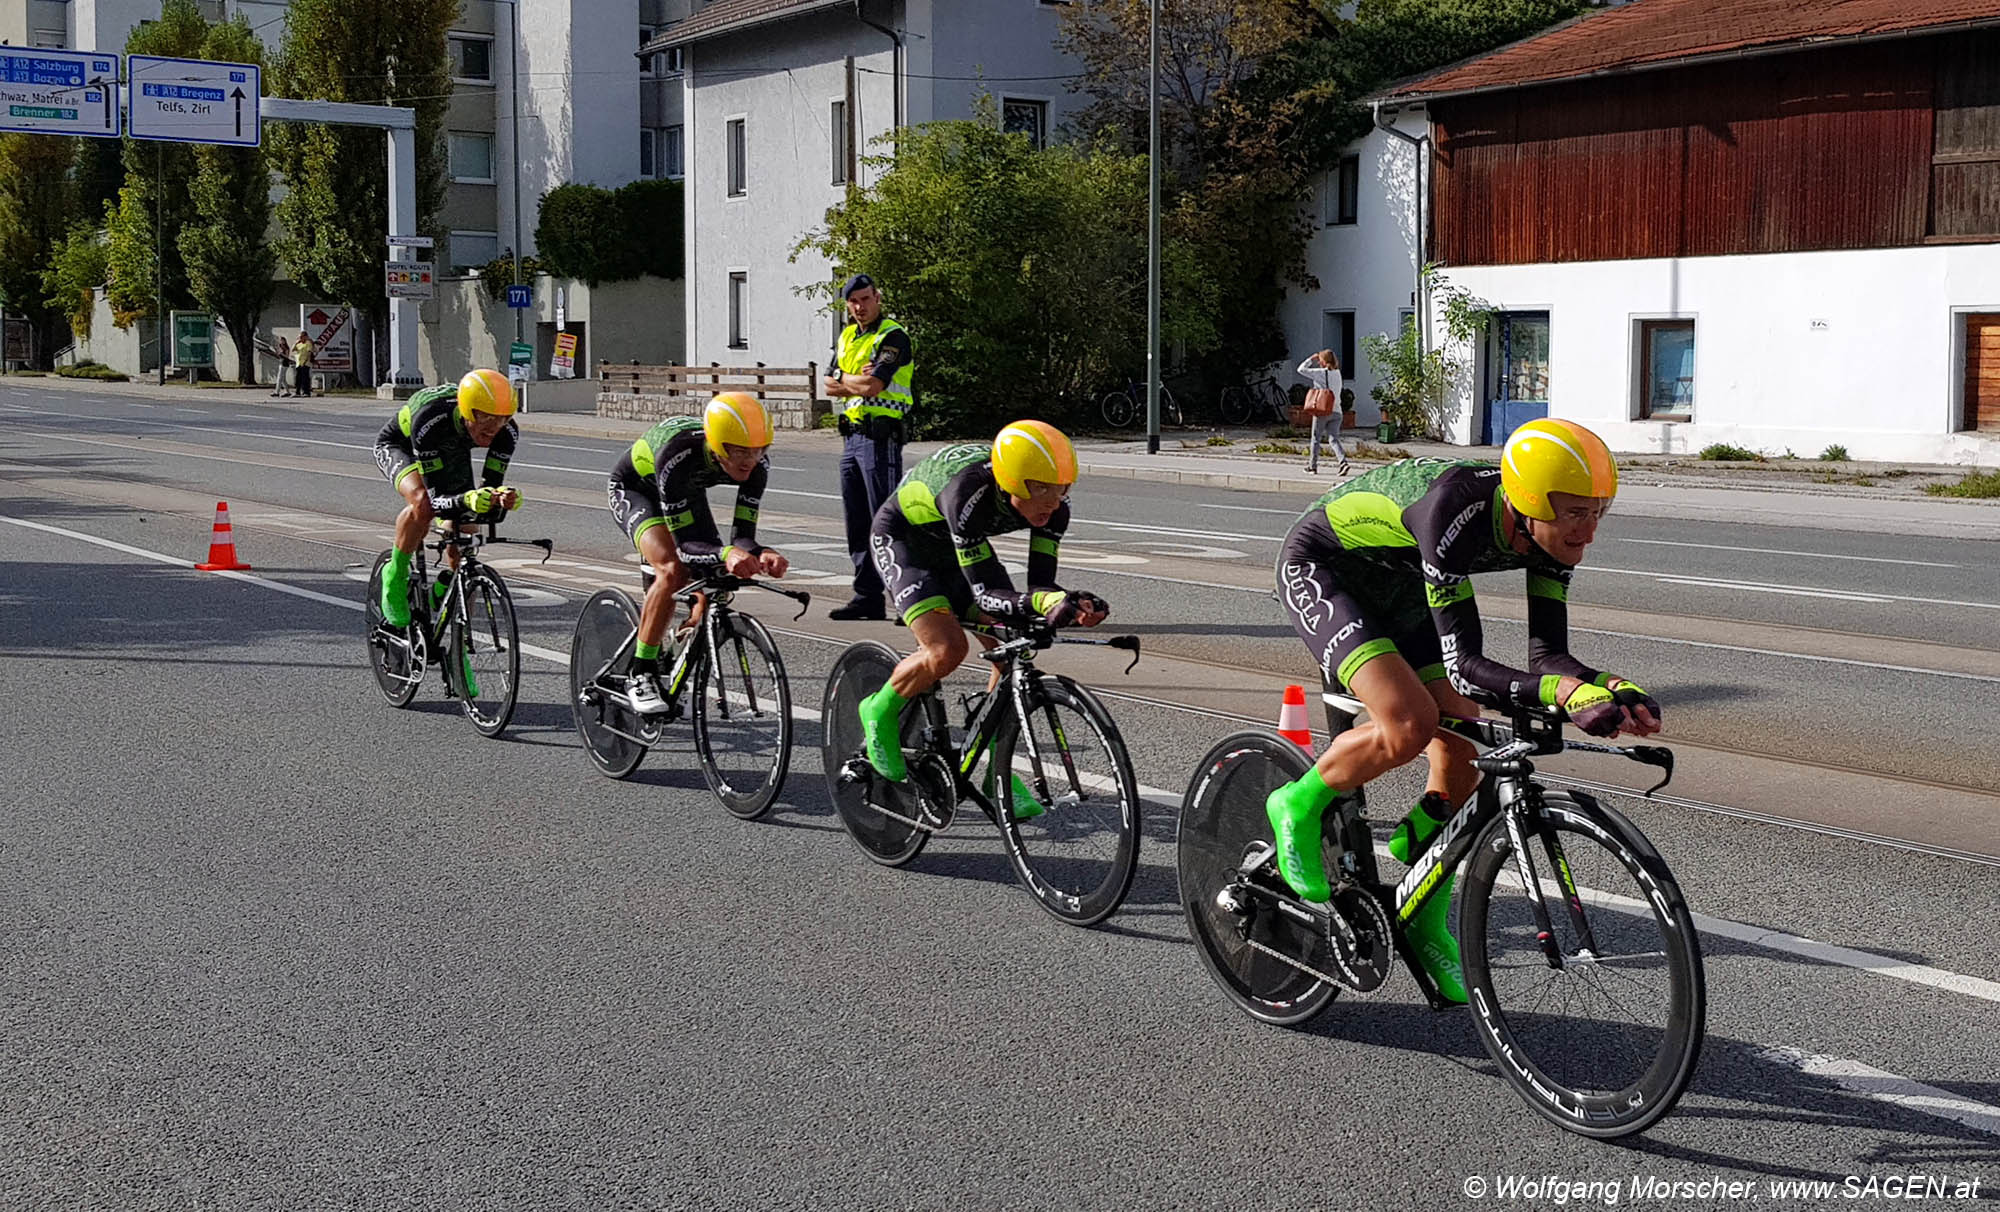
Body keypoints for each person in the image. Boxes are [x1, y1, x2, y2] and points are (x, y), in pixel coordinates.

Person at [1265, 419, 1660, 1004]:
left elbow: (1548, 655)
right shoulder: (1453, 511)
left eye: (1599, 511)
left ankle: (1421, 908)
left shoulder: (1552, 537)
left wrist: (1608, 685)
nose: (1590, 532)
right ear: (1527, 502)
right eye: (1577, 513)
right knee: (1409, 724)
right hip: (1327, 569)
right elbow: (1465, 666)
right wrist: (1563, 697)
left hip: (1403, 582)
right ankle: (1295, 804)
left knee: (1463, 752)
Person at [853, 420, 1108, 819]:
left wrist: (1067, 605)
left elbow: (1041, 585)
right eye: (1040, 489)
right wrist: (1041, 601)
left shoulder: (1055, 509)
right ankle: (878, 710)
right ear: (1010, 482)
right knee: (946, 648)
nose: (1052, 502)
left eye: (1062, 489)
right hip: (905, 542)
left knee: (1013, 646)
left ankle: (997, 770)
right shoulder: (967, 493)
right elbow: (986, 594)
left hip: (958, 549)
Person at [606, 393, 789, 715]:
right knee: (672, 569)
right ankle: (641, 672)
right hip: (637, 489)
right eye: (739, 451)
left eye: (759, 449)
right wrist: (727, 552)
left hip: (686, 492)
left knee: (718, 578)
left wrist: (761, 552)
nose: (750, 459)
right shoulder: (679, 455)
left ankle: (682, 645)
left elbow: (742, 536)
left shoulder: (757, 464)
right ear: (718, 446)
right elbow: (688, 546)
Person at [372, 369, 523, 635]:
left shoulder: (506, 432)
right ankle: (394, 577)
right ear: (467, 411)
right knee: (422, 505)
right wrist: (467, 499)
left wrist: (499, 499)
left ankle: (458, 633)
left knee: (466, 531)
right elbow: (435, 499)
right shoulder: (431, 418)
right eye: (486, 417)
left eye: (503, 418)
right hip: (403, 445)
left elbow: (487, 494)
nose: (494, 427)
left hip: (452, 451)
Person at [824, 273, 914, 621]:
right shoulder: (847, 336)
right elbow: (828, 385)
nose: (860, 307)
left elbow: (875, 385)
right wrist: (852, 381)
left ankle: (906, 597)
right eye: (853, 301)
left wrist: (849, 381)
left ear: (878, 297)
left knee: (887, 521)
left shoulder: (893, 336)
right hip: (852, 438)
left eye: (865, 299)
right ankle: (867, 596)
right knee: (858, 523)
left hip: (880, 438)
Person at [1298, 349, 1350, 476]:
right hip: (1337, 411)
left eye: (1320, 359)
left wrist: (1311, 358)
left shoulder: (1321, 373)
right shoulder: (1337, 373)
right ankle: (1343, 462)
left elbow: (1301, 369)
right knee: (1333, 439)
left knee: (1316, 438)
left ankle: (1312, 466)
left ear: (1323, 361)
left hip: (1323, 410)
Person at [259, 329, 294, 397]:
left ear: (284, 341)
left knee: (279, 378)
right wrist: (277, 352)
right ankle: (287, 391)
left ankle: (277, 392)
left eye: (282, 340)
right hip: (281, 363)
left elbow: (287, 356)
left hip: (285, 363)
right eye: (280, 340)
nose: (281, 341)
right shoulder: (280, 347)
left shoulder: (286, 348)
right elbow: (278, 355)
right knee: (283, 379)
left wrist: (281, 353)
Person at [291, 330, 317, 397]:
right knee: (298, 378)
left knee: (305, 378)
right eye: (300, 337)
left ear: (305, 337)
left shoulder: (308, 343)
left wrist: (305, 361)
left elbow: (309, 353)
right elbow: (292, 349)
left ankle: (306, 392)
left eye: (302, 337)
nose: (300, 338)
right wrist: (296, 342)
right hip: (299, 363)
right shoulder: (299, 344)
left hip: (306, 363)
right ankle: (297, 392)